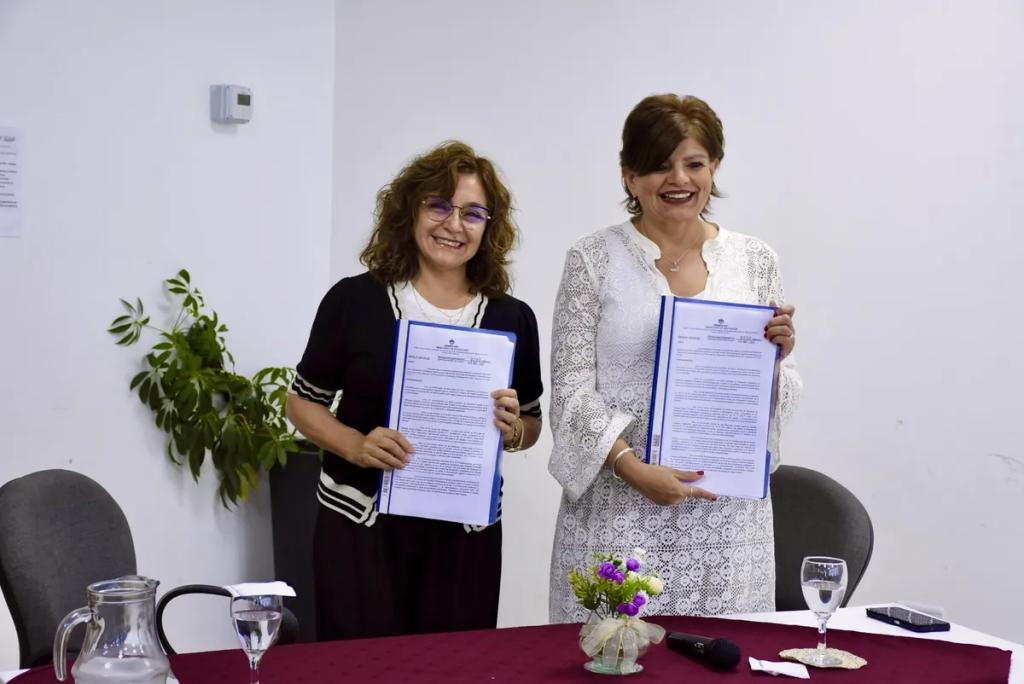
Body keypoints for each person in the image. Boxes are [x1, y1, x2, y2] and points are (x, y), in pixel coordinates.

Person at [547, 94, 803, 622]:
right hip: (618, 512)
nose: (679, 179)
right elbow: (571, 391)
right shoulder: (593, 259)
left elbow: (776, 398)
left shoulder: (756, 260)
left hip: (726, 523)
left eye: (694, 163)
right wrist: (631, 468)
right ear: (629, 176)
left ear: (715, 168)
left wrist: (775, 362)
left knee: (724, 657)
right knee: (613, 657)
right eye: (659, 165)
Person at [287, 141, 544, 641]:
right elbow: (301, 402)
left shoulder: (511, 317)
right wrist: (355, 446)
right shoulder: (353, 301)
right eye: (439, 206)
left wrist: (514, 430)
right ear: (409, 210)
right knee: (360, 671)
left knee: (454, 670)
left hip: (464, 538)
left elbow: (531, 424)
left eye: (472, 213)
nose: (454, 224)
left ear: (489, 227)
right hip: (359, 527)